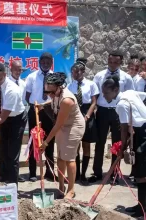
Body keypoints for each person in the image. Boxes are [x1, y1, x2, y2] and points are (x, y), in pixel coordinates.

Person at [100, 75, 146, 218]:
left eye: (107, 93)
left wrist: (121, 150)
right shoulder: (130, 93)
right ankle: (141, 205)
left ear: (115, 90)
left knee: (141, 176)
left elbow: (124, 130)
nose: (104, 96)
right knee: (141, 174)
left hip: (142, 136)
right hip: (141, 131)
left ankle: (142, 210)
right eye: (103, 93)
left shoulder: (121, 105)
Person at [90, 51, 134, 184]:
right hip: (102, 111)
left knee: (117, 143)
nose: (113, 65)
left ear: (121, 62)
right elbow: (95, 94)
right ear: (107, 60)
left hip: (118, 111)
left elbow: (130, 95)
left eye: (116, 62)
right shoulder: (99, 75)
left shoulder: (126, 78)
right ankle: (97, 172)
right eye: (111, 62)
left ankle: (114, 173)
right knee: (100, 142)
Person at [39, 72, 85, 199]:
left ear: (60, 87)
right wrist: (42, 105)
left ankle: (71, 190)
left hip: (73, 127)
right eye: (47, 92)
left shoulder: (67, 100)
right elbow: (53, 101)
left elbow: (58, 125)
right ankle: (61, 186)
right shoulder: (55, 94)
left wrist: (46, 142)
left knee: (69, 158)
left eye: (52, 92)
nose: (50, 95)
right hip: (63, 126)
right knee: (60, 157)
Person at [25, 52, 56, 182]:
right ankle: (32, 172)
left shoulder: (55, 77)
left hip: (49, 110)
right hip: (35, 110)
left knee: (49, 140)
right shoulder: (32, 77)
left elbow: (57, 95)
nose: (45, 64)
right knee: (34, 141)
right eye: (43, 62)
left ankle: (50, 171)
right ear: (39, 63)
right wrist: (34, 106)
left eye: (48, 62)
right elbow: (27, 95)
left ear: (51, 63)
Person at [67, 58, 99, 185]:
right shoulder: (70, 86)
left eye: (78, 72)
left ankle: (84, 174)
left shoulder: (91, 84)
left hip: (87, 113)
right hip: (75, 113)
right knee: (76, 145)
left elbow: (94, 102)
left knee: (86, 145)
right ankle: (76, 174)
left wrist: (87, 116)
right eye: (74, 73)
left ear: (83, 71)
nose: (76, 75)